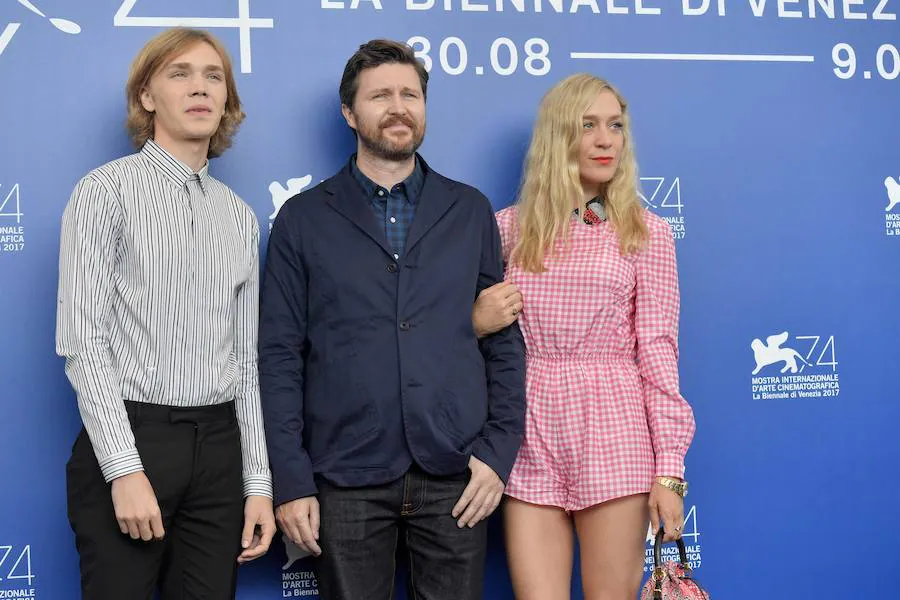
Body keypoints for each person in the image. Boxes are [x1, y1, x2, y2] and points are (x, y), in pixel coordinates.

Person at [258, 39, 526, 600]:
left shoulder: (469, 209)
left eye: (411, 94)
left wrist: (497, 456)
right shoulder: (302, 219)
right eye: (381, 95)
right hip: (344, 471)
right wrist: (290, 480)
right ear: (350, 113)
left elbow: (503, 341)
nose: (398, 106)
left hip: (455, 471)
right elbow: (280, 356)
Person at [56, 28, 275, 600]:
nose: (199, 88)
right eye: (179, 74)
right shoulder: (104, 192)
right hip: (133, 437)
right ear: (147, 96)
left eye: (213, 76)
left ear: (226, 98)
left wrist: (257, 483)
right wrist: (124, 471)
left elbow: (245, 360)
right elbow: (83, 341)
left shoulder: (239, 216)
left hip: (222, 449)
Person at [475, 73, 696, 600]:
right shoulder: (507, 228)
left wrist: (669, 471)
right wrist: (473, 319)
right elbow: (461, 337)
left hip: (615, 431)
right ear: (558, 137)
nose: (606, 140)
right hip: (528, 434)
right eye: (589, 125)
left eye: (615, 126)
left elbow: (659, 354)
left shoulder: (647, 232)